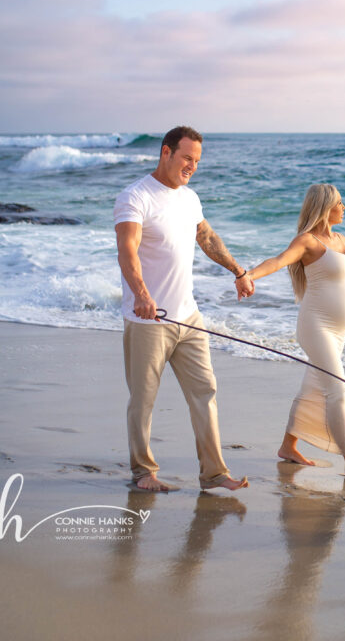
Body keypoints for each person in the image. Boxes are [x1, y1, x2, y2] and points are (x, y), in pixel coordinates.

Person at [114, 125, 254, 493]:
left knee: (205, 391)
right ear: (166, 152)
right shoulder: (135, 197)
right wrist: (142, 294)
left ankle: (213, 474)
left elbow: (206, 237)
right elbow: (127, 253)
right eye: (186, 157)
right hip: (148, 319)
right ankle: (143, 472)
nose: (192, 165)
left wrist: (238, 270)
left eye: (197, 160)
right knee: (143, 400)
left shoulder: (190, 198)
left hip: (189, 318)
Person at [246, 183, 345, 476]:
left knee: (314, 386)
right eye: (339, 203)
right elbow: (279, 261)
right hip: (316, 325)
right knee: (337, 389)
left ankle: (288, 447)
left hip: (338, 331)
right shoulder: (307, 242)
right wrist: (248, 275)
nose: (344, 208)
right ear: (324, 207)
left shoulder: (342, 239)